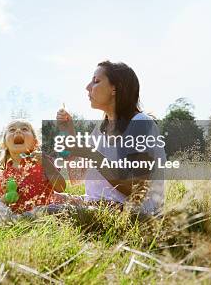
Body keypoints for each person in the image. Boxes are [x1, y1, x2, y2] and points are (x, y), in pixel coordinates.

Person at [56, 60, 166, 215]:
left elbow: (136, 189)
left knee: (47, 210)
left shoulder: (140, 123)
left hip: (133, 213)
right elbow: (77, 177)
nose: (87, 87)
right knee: (46, 199)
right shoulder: (101, 129)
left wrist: (90, 153)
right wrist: (69, 133)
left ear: (116, 87)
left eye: (96, 81)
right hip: (98, 205)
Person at [0, 119, 66, 213]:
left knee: (62, 209)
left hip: (46, 213)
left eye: (24, 129)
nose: (18, 131)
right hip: (19, 218)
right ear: (4, 144)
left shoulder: (42, 161)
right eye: (12, 130)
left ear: (35, 143)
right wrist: (6, 198)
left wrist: (47, 165)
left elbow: (61, 187)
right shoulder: (3, 173)